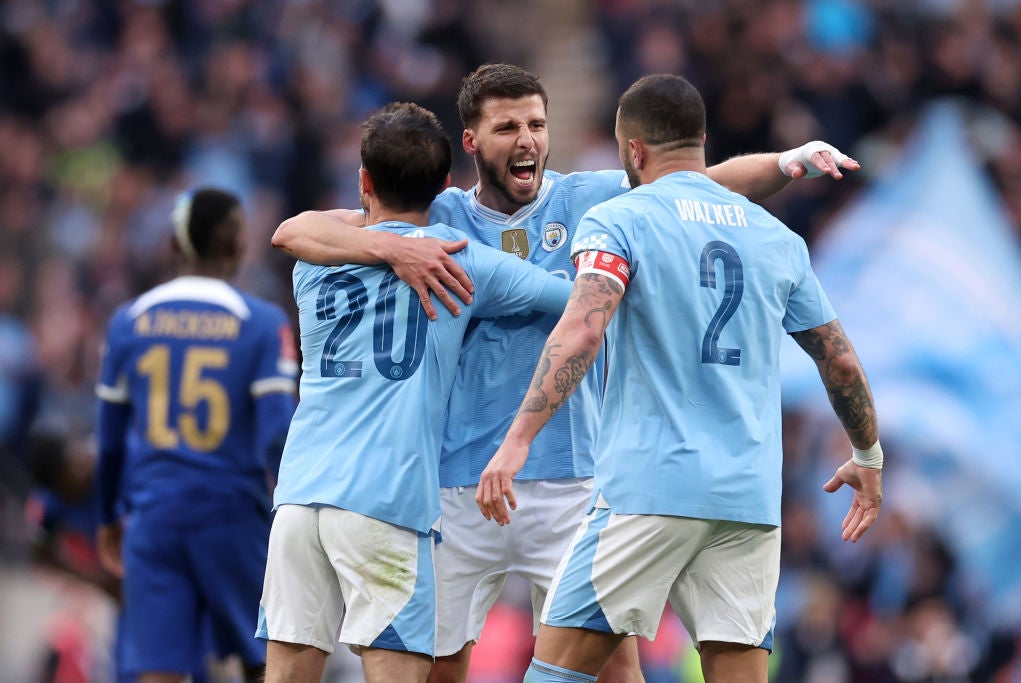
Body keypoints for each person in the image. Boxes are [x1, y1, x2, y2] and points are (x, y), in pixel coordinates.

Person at [270, 63, 861, 683]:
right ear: (470, 142)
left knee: (611, 670)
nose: (527, 139)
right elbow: (306, 229)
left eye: (536, 123)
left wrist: (786, 161)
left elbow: (704, 184)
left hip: (572, 477)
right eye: (506, 127)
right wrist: (391, 246)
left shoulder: (594, 198)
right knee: (439, 670)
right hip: (457, 482)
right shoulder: (437, 215)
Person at [475, 73, 883, 683]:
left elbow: (583, 330)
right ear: (701, 140)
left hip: (648, 487)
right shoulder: (778, 237)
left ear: (633, 151)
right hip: (747, 498)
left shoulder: (617, 220)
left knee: (556, 672)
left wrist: (516, 441)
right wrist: (868, 455)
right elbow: (841, 361)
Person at [254, 101, 574, 683]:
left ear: (363, 183)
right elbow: (574, 300)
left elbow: (293, 230)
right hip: (387, 502)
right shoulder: (461, 260)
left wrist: (382, 242)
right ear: (446, 184)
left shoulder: (315, 259)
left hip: (301, 495)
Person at [94, 187, 298, 683]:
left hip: (153, 515)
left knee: (159, 670)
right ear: (236, 247)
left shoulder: (128, 322)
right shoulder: (261, 323)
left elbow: (110, 442)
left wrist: (108, 518)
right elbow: (279, 433)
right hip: (231, 513)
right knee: (268, 663)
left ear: (174, 247)